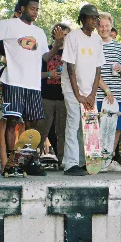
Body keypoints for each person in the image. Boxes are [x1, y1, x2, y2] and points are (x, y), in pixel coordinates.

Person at [0, 0, 61, 173]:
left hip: (33, 85)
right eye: (32, 8)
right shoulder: (9, 25)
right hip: (13, 81)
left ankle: (27, 160)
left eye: (37, 9)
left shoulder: (39, 32)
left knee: (33, 124)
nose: (35, 12)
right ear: (22, 8)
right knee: (12, 122)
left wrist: (57, 44)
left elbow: (45, 57)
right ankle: (10, 164)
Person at [61, 4, 104, 176]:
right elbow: (70, 67)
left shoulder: (97, 39)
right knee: (73, 123)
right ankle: (70, 164)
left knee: (86, 126)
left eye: (96, 18)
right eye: (91, 17)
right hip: (72, 88)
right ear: (82, 19)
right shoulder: (72, 36)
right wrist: (78, 94)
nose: (95, 21)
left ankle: (81, 161)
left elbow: (98, 68)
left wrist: (92, 94)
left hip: (89, 90)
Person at [94, 12, 121, 172]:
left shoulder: (118, 47)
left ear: (111, 26)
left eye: (107, 25)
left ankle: (109, 159)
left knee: (117, 127)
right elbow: (94, 73)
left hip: (117, 95)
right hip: (101, 94)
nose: (104, 28)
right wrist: (106, 90)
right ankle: (98, 160)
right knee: (102, 127)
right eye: (101, 25)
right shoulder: (93, 44)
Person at [41, 22, 70, 164]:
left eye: (67, 35)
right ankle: (35, 159)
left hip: (64, 97)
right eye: (62, 35)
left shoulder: (71, 54)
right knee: (42, 129)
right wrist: (49, 74)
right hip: (46, 96)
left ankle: (63, 160)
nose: (64, 38)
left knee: (63, 131)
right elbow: (34, 73)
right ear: (54, 34)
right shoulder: (46, 51)